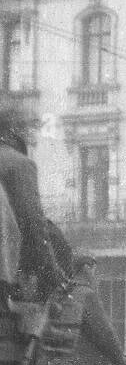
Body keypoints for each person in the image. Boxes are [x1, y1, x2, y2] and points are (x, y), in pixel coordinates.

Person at [0, 109, 65, 300]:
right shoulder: (19, 163)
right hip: (7, 272)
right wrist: (51, 273)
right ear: (11, 131)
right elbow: (32, 222)